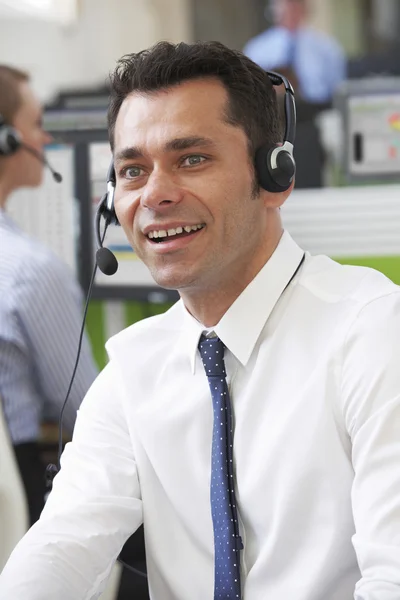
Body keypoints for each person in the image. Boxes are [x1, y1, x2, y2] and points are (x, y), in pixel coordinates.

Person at [1, 41, 400, 600]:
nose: (156, 195)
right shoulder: (133, 368)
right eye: (133, 170)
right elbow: (63, 545)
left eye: (192, 159)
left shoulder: (373, 332)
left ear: (274, 175)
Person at [0, 66, 98, 525]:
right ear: (6, 140)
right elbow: (85, 410)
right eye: (36, 124)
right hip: (17, 495)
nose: (46, 140)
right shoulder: (29, 271)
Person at [243, 0, 346, 103]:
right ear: (273, 8)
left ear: (306, 7)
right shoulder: (256, 49)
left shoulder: (328, 49)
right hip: (272, 112)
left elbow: (338, 93)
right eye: (286, 3)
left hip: (316, 111)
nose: (291, 8)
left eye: (296, 3)